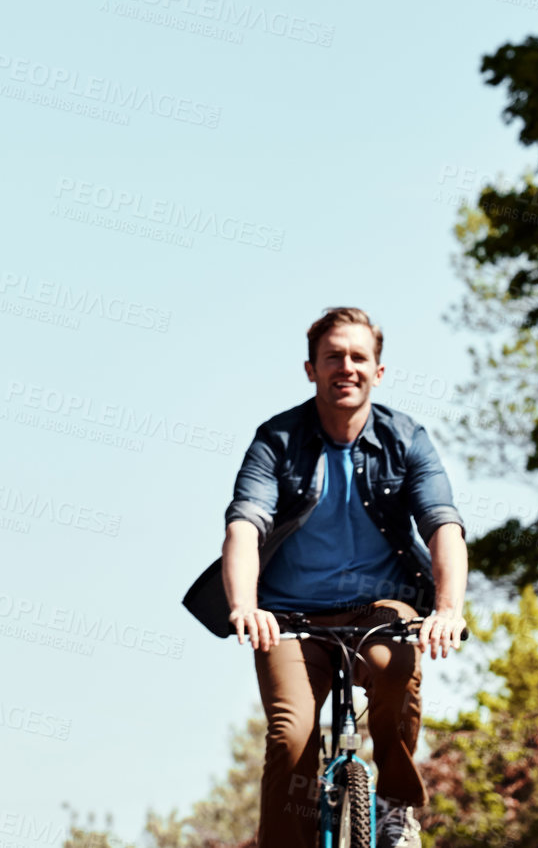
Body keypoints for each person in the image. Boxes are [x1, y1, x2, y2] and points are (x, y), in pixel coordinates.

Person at [182, 307, 468, 848]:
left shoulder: (406, 439)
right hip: (289, 617)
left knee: (394, 671)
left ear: (378, 372)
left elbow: (443, 525)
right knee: (292, 739)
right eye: (333, 356)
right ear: (310, 368)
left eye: (359, 357)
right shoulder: (278, 440)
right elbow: (245, 524)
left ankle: (397, 808)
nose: (347, 366)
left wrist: (448, 610)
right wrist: (245, 604)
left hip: (382, 606)